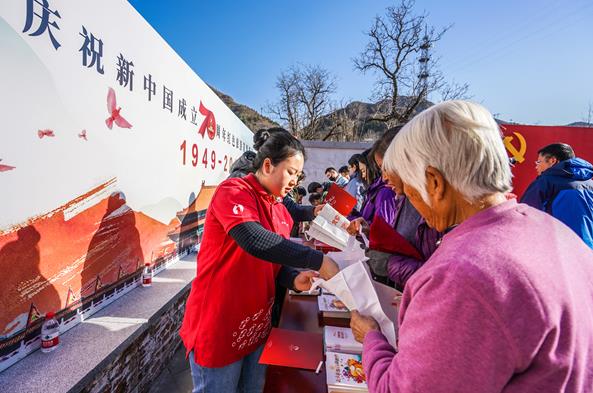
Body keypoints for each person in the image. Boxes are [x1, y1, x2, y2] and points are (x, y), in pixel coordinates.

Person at [350, 101, 593, 392]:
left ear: (435, 182)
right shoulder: (555, 233)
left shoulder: (463, 275)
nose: (415, 207)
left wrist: (372, 339)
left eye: (411, 193)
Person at [180, 129, 339, 392]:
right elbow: (254, 240)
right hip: (221, 323)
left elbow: (271, 260)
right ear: (267, 165)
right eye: (290, 172)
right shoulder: (234, 190)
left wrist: (292, 278)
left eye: (298, 175)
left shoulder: (277, 205)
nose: (294, 181)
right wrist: (317, 260)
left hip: (256, 325)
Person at [347, 128, 440, 287]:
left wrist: (389, 264)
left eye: (386, 168)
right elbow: (400, 244)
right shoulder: (404, 199)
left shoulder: (438, 209)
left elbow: (440, 278)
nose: (384, 177)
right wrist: (371, 235)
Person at [520, 143, 593, 249]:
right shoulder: (590, 183)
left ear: (553, 161)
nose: (536, 166)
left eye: (539, 161)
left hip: (558, 250)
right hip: (588, 250)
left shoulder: (545, 182)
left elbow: (525, 214)